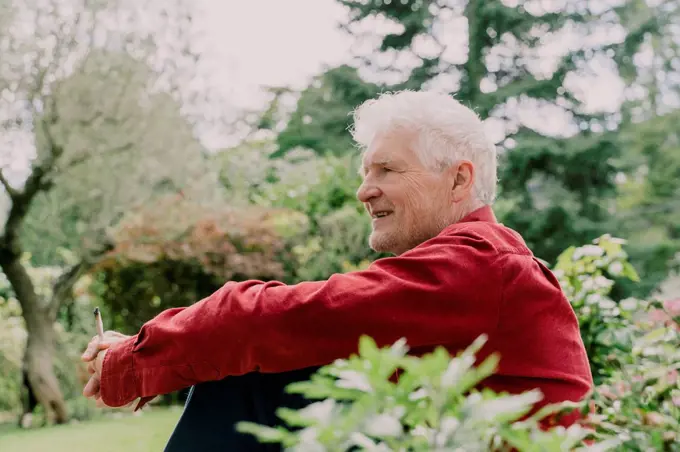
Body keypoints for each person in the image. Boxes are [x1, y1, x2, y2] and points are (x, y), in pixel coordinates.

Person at [81, 90, 593, 450]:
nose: (363, 189)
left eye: (387, 170)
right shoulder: (474, 267)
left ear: (459, 180)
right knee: (262, 374)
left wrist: (133, 361)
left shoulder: (480, 263)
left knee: (250, 375)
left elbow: (276, 319)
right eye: (365, 171)